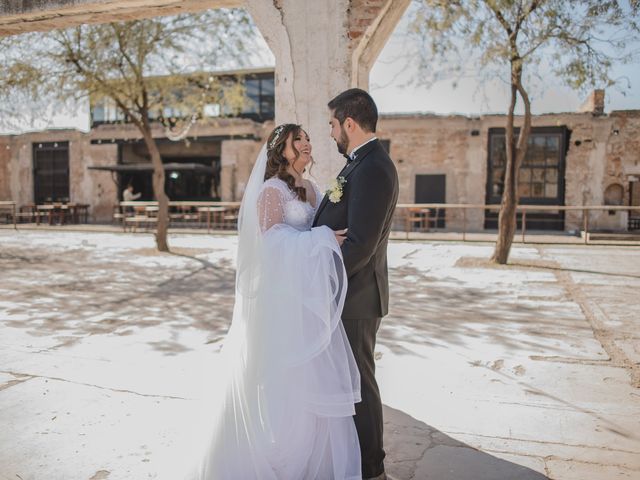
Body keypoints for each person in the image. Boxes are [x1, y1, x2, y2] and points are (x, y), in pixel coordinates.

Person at [185, 124, 362, 480]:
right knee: (285, 376)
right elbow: (272, 243)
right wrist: (322, 239)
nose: (308, 144)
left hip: (307, 296)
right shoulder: (271, 191)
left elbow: (311, 231)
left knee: (313, 374)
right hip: (280, 298)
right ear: (283, 150)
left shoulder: (313, 189)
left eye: (309, 138)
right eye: (300, 140)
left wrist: (324, 239)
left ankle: (314, 458)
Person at [313, 88, 399, 480]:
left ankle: (372, 469)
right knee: (350, 383)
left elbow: (362, 244)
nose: (331, 133)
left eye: (333, 124)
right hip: (349, 295)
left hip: (358, 298)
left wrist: (320, 278)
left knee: (360, 385)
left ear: (349, 122)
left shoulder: (374, 168)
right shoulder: (359, 164)